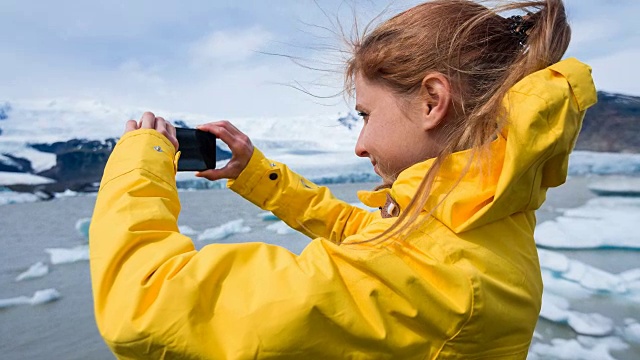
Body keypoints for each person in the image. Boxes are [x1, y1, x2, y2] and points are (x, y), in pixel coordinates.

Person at [89, 0, 597, 358]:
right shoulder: (484, 216)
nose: (359, 144)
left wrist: (139, 161)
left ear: (431, 101)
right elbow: (377, 238)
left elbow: (146, 305)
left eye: (364, 114)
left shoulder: (440, 281)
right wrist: (262, 178)